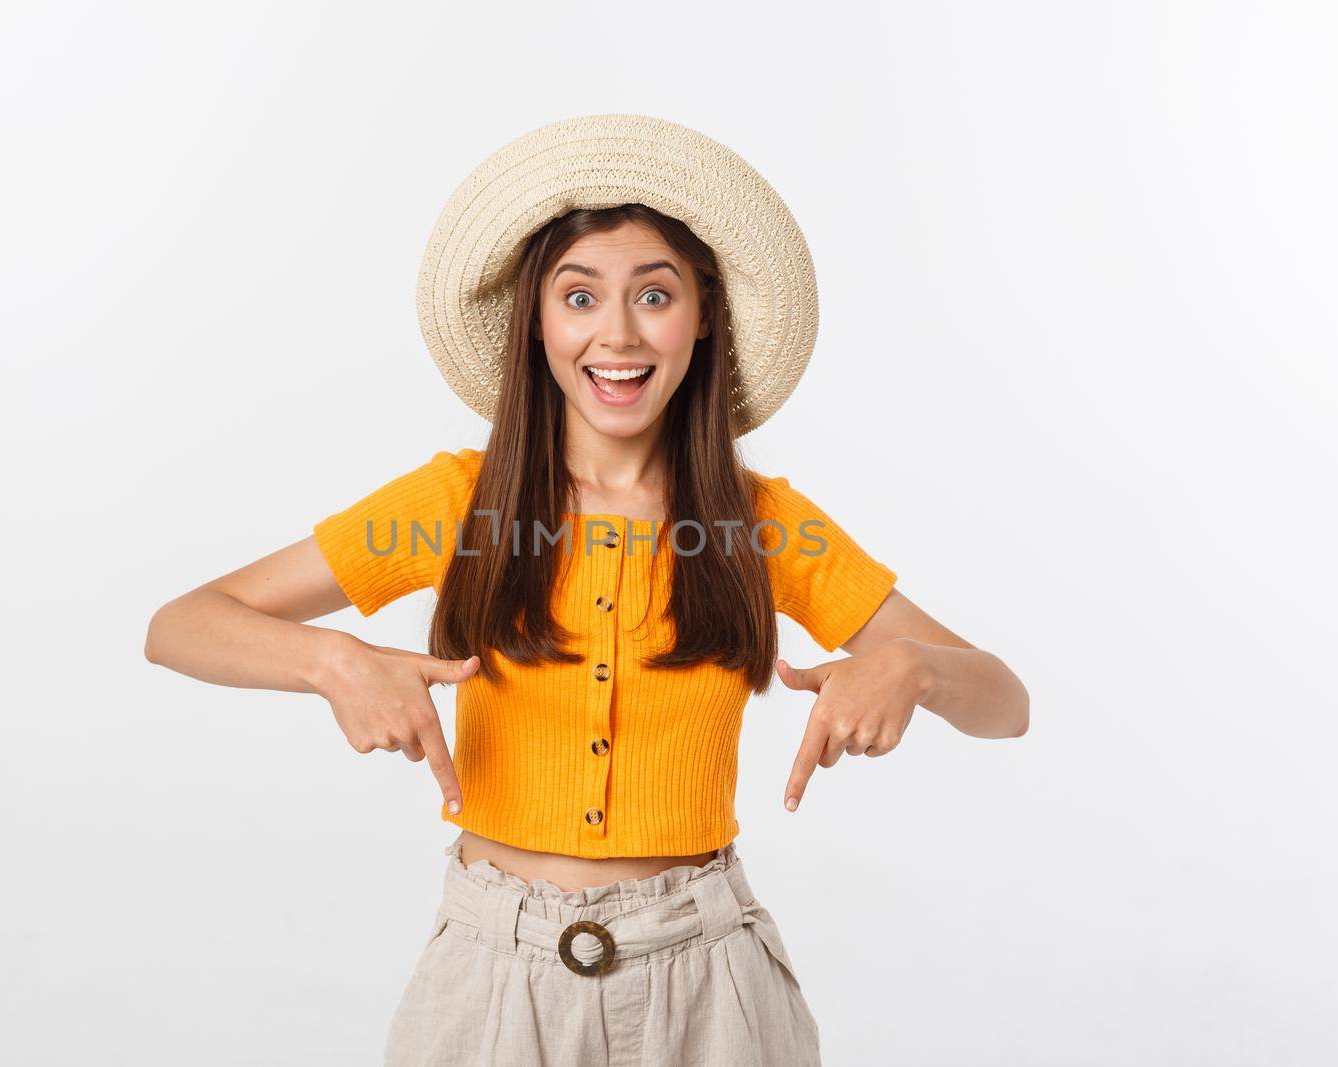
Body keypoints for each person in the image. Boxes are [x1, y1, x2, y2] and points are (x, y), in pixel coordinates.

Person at [145, 113, 1029, 1066]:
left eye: (655, 294)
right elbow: (180, 624)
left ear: (705, 318)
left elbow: (1005, 702)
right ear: (537, 321)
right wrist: (329, 661)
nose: (617, 333)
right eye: (580, 296)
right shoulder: (454, 503)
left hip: (710, 991)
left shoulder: (764, 523)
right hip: (491, 981)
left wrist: (912, 669)